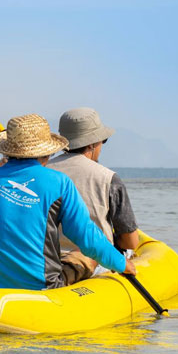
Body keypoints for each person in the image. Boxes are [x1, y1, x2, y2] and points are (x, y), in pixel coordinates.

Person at [0, 114, 135, 290]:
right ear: (48, 151)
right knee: (87, 255)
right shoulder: (60, 182)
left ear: (7, 150)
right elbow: (86, 236)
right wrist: (122, 264)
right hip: (43, 286)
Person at [47, 107, 139, 284]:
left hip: (44, 261)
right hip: (92, 263)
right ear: (91, 143)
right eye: (102, 140)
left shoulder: (41, 171)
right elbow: (130, 242)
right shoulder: (108, 178)